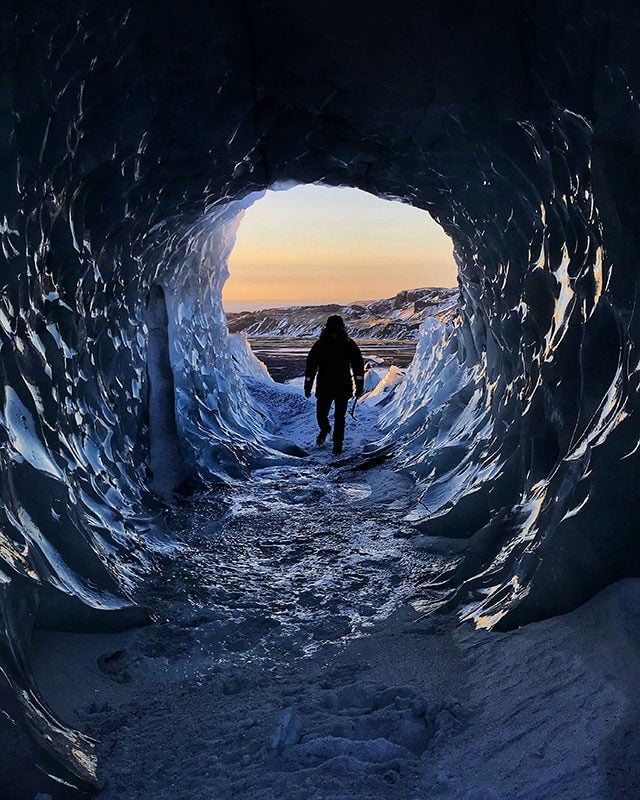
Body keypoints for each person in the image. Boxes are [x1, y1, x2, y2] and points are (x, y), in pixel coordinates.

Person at [304, 315, 364, 455]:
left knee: (321, 413)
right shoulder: (349, 344)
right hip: (343, 386)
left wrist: (308, 386)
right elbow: (358, 367)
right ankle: (337, 444)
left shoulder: (320, 344)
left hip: (325, 385)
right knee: (339, 417)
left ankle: (326, 430)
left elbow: (311, 366)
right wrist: (359, 385)